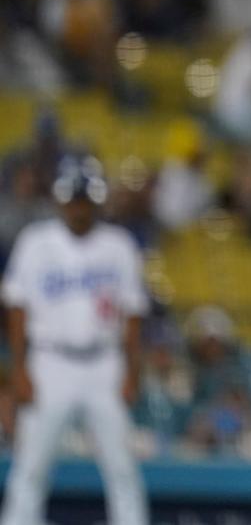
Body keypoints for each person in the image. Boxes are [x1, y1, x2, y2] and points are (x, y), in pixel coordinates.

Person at [1, 156, 149, 524]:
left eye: (85, 200)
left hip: (104, 362)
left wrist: (132, 371)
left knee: (121, 466)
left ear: (96, 202)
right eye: (73, 200)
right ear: (60, 201)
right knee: (31, 465)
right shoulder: (36, 242)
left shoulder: (118, 245)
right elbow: (16, 309)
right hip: (50, 362)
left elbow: (131, 314)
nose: (79, 208)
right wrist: (19, 368)